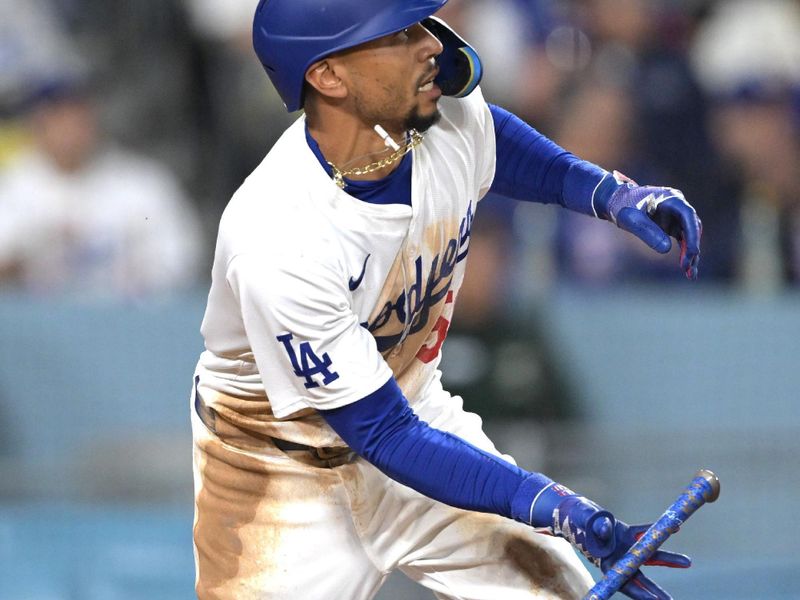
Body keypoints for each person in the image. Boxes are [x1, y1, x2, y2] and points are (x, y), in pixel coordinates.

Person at [191, 1, 702, 599]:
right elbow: (381, 434)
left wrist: (609, 193)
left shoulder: (434, 115)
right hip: (278, 468)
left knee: (556, 589)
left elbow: (489, 140)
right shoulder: (279, 237)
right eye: (400, 33)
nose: (432, 43)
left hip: (416, 416)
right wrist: (546, 502)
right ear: (328, 76)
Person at [0, 75, 205, 296]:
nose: (68, 129)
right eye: (57, 117)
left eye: (77, 116)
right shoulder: (12, 184)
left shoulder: (142, 181)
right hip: (36, 322)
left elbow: (183, 258)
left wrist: (134, 273)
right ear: (37, 124)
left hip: (125, 320)